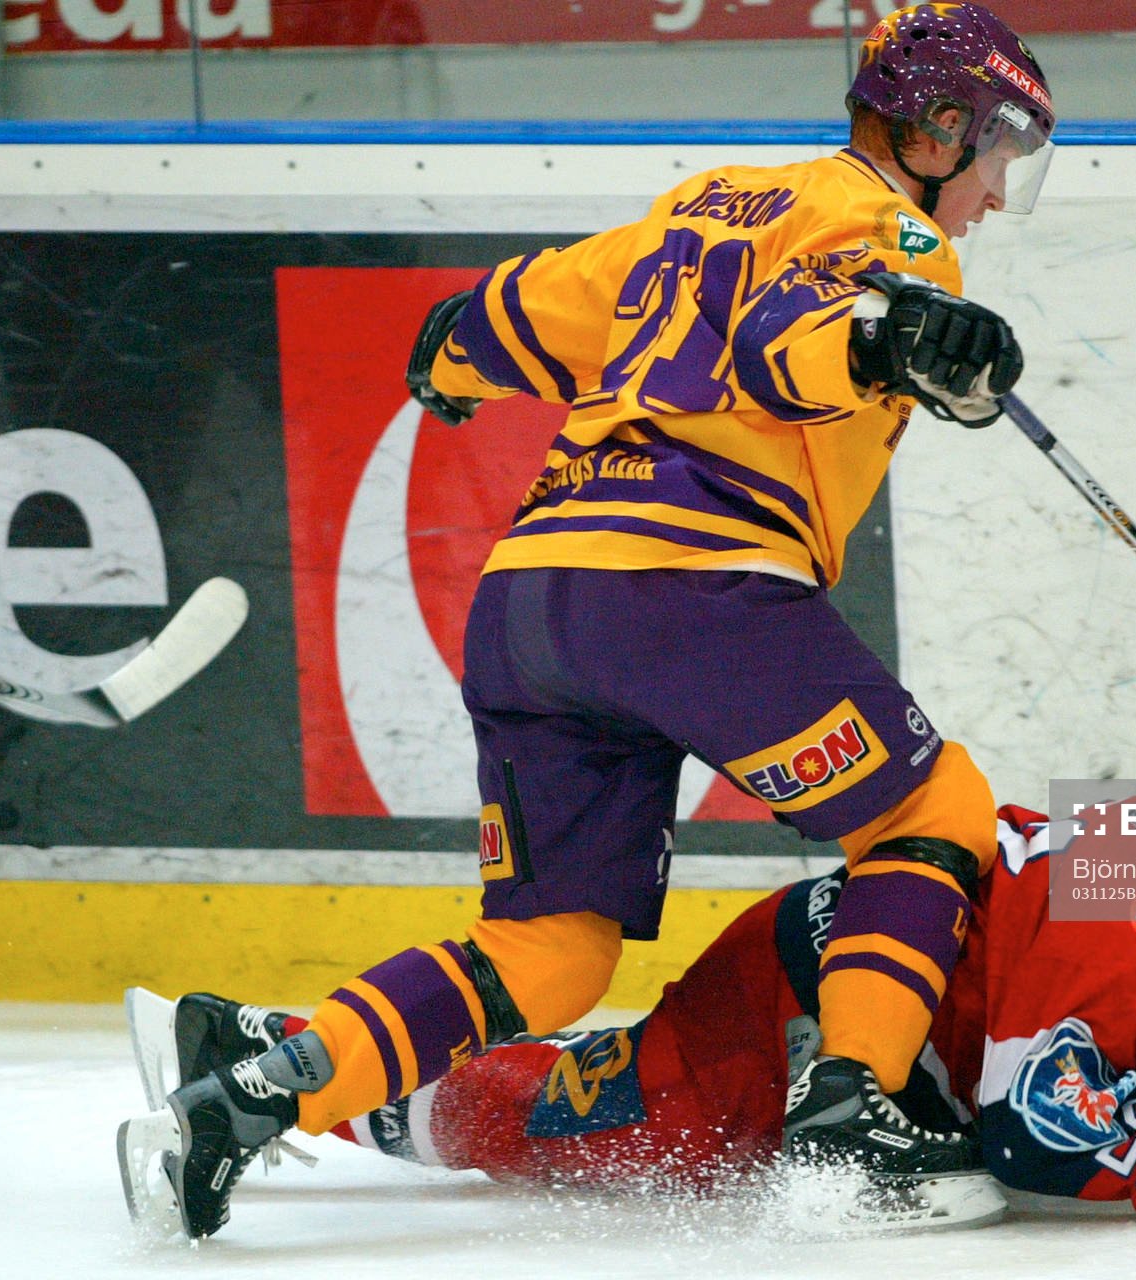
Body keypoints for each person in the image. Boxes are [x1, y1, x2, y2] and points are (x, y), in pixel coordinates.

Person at [122, 2, 1060, 1241]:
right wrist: (891, 335)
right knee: (931, 813)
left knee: (550, 952)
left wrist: (452, 361)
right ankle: (853, 1119)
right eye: (995, 151)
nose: (996, 193)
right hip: (694, 589)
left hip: (531, 603)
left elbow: (512, 313)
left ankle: (244, 1093)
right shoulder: (891, 235)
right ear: (936, 128)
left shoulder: (708, 203)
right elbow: (789, 342)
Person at [120, 696, 1136, 1236]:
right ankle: (277, 1058)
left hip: (926, 1024)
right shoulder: (1124, 918)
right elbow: (1036, 1140)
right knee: (575, 1131)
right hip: (803, 997)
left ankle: (288, 1056)